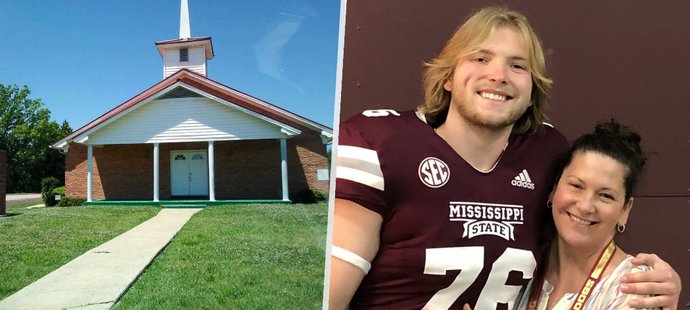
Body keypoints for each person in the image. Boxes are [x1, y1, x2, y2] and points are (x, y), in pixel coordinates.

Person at [329, 5, 681, 310]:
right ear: (449, 75)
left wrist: (656, 284)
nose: (497, 75)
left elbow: (581, 244)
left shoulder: (546, 153)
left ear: (532, 91)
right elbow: (328, 299)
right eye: (481, 58)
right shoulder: (380, 143)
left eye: (517, 66)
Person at [515, 121, 659, 309]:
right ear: (554, 188)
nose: (585, 206)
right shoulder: (522, 266)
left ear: (625, 210)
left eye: (605, 195)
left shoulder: (635, 288)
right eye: (576, 186)